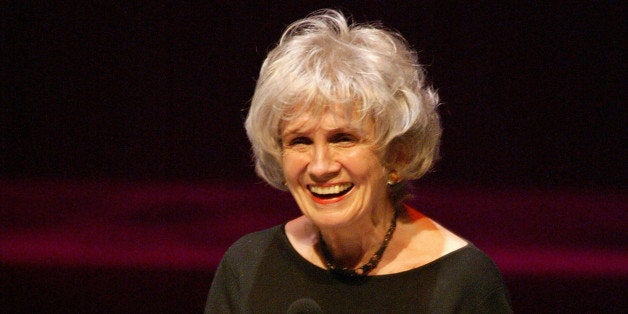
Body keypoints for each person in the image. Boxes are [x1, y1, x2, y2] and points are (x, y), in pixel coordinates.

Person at [206, 9, 511, 313]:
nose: (320, 166)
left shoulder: (464, 282)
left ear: (396, 154)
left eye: (343, 139)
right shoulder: (247, 266)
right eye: (300, 141)